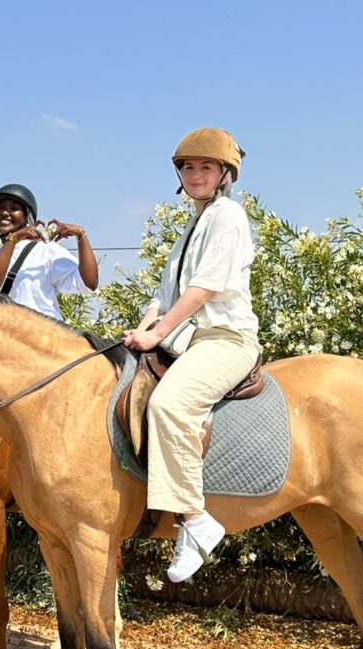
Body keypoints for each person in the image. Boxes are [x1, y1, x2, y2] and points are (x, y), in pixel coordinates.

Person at [123, 127, 260, 583]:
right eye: (188, 167)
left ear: (224, 174)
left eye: (205, 167)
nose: (195, 174)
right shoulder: (191, 228)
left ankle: (196, 520)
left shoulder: (229, 218)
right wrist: (141, 329)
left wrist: (157, 332)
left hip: (225, 340)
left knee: (170, 404)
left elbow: (202, 290)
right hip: (184, 340)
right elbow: (165, 296)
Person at [0, 183, 98, 320]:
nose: (5, 213)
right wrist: (13, 240)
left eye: (14, 209)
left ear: (28, 217)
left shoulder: (46, 251)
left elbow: (89, 283)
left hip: (45, 337)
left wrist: (81, 234)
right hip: (4, 338)